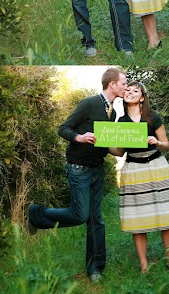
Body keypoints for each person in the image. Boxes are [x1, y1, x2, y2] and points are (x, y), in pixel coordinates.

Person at [27, 66, 127, 283]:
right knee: (80, 215)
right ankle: (37, 213)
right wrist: (79, 138)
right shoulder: (89, 103)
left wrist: (129, 147)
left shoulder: (115, 112)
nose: (126, 86)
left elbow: (108, 143)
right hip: (78, 169)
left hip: (97, 170)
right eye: (124, 83)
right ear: (112, 84)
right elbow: (63, 128)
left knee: (96, 220)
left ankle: (95, 269)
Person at [116, 81, 169, 273]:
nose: (130, 92)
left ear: (142, 97)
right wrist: (103, 143)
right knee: (138, 217)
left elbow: (167, 144)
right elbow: (119, 152)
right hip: (134, 169)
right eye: (127, 90)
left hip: (157, 167)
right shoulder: (121, 122)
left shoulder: (153, 118)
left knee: (166, 213)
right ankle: (144, 265)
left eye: (135, 90)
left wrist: (157, 141)